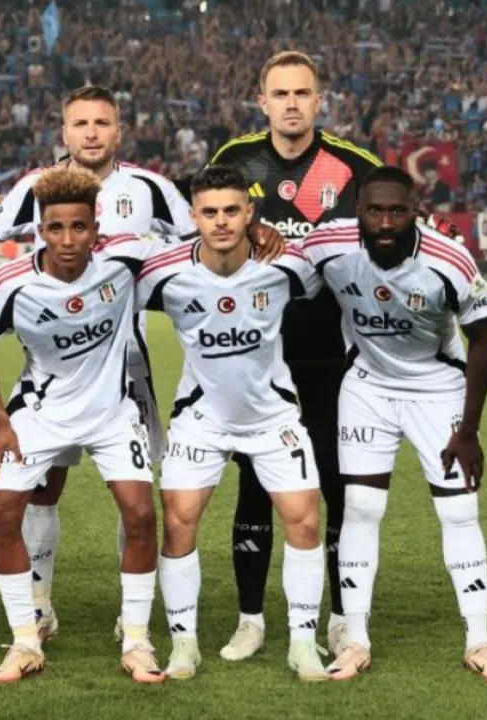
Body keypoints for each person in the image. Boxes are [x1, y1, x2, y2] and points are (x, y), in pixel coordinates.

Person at [0, 85, 194, 640]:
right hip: (54, 367)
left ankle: (131, 617)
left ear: (118, 131)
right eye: (80, 123)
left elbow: (196, 239)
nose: (91, 132)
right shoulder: (38, 188)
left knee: (134, 493)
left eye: (101, 122)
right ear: (63, 132)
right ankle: (38, 602)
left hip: (128, 365)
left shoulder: (151, 188)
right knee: (43, 486)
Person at [302, 167, 487, 683]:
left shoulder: (449, 260)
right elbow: (275, 267)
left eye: (397, 211)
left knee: (459, 511)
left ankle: (479, 642)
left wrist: (469, 430)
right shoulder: (326, 246)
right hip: (367, 388)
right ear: (358, 210)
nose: (385, 222)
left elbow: (483, 338)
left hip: (438, 390)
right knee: (361, 508)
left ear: (416, 211)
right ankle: (355, 640)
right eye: (375, 210)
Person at [204, 50, 382, 660]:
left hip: (334, 357)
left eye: (302, 93)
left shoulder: (355, 168)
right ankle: (250, 619)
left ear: (319, 100)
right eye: (280, 94)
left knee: (336, 484)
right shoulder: (233, 161)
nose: (291, 104)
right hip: (257, 358)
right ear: (262, 101)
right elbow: (208, 233)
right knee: (255, 486)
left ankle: (341, 617)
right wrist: (248, 232)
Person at [0, 166, 165, 685]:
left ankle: (137, 641)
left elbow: (198, 247)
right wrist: (0, 420)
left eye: (79, 227)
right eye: (56, 228)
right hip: (40, 412)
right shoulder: (11, 283)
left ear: (96, 227)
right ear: (40, 230)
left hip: (112, 412)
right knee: (1, 512)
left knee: (141, 514)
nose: (68, 239)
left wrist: (257, 231)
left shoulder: (125, 258)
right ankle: (26, 639)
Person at [138, 165, 328, 682]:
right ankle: (184, 645)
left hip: (272, 415)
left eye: (231, 211)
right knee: (179, 522)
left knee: (305, 522)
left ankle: (303, 645)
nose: (221, 221)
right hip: (201, 416)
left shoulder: (286, 264)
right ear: (193, 217)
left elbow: (332, 282)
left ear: (250, 213)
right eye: (209, 212)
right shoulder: (163, 271)